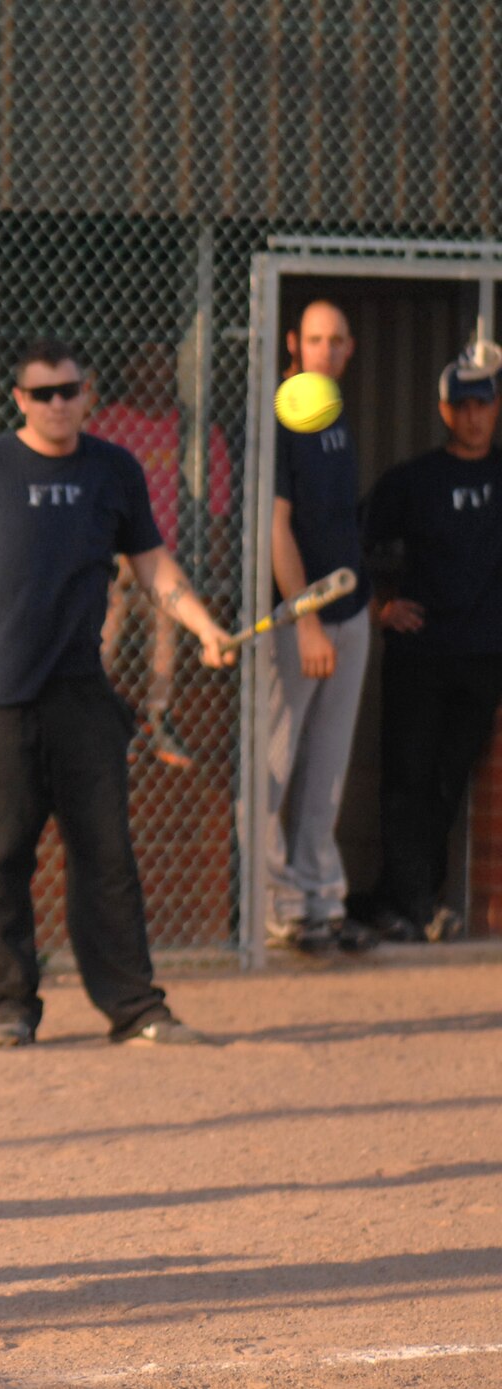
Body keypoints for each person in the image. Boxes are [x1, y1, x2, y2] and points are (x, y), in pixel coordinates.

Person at [0, 340, 233, 1048]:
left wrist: (202, 625)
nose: (56, 404)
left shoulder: (113, 470)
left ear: (88, 392)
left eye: (68, 390)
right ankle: (12, 1004)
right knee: (0, 851)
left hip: (81, 694)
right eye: (41, 394)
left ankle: (134, 1007)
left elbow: (152, 563)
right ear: (18, 400)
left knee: (106, 851)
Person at [363, 343, 502, 944]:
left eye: (483, 405)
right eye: (462, 406)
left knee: (448, 779)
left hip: (484, 655)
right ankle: (408, 904)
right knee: (407, 776)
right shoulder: (412, 481)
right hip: (421, 657)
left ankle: (417, 899)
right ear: (444, 411)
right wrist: (379, 611)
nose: (473, 416)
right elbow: (350, 543)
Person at [265, 301, 376, 954]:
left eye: (337, 340)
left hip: (351, 609)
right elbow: (279, 525)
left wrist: (349, 609)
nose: (326, 351)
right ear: (293, 343)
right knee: (275, 764)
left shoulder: (331, 410)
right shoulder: (283, 412)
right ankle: (277, 910)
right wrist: (304, 619)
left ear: (351, 347)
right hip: (299, 619)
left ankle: (321, 900)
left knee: (329, 765)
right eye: (315, 340)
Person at [90, 342, 234, 769]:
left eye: (162, 361)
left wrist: (216, 573)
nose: (153, 370)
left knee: (165, 607)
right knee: (113, 605)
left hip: (165, 562)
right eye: (143, 359)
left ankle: (157, 717)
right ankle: (92, 713)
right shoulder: (104, 426)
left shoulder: (198, 431)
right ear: (128, 367)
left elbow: (217, 514)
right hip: (113, 558)